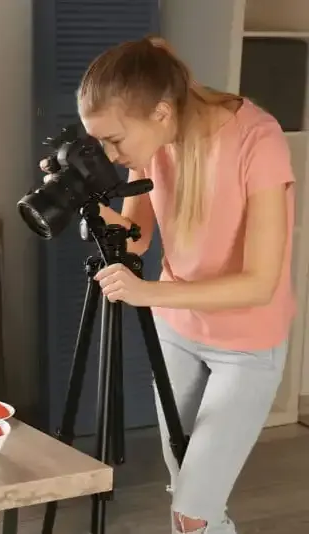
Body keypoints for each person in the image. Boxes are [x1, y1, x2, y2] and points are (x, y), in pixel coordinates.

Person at [40, 37, 295, 534]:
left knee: (193, 511)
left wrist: (148, 293)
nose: (111, 154)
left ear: (160, 111)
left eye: (115, 140)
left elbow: (260, 284)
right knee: (187, 495)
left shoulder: (258, 140)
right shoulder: (153, 142)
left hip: (245, 345)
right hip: (178, 331)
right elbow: (134, 239)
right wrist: (81, 196)